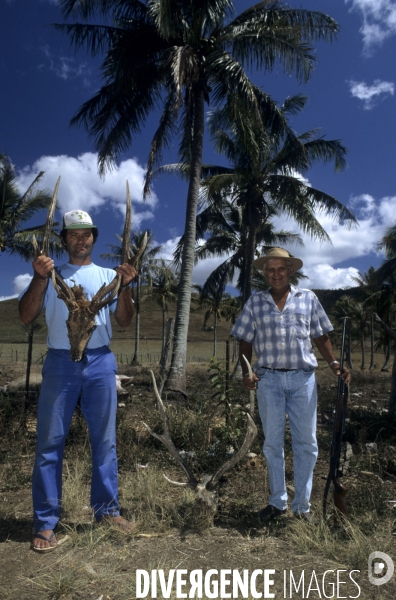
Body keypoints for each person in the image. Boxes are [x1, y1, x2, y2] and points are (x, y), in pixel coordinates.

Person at [19, 209, 137, 551]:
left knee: (105, 441)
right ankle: (45, 522)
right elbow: (26, 316)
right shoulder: (50, 274)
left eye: (86, 234)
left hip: (100, 361)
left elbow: (125, 321)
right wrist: (39, 278)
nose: (80, 239)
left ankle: (107, 511)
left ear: (94, 238)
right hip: (60, 363)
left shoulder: (108, 275)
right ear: (64, 239)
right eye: (73, 233)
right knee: (49, 443)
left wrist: (126, 287)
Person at [231, 247, 350, 523]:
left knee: (306, 443)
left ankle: (302, 507)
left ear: (290, 270)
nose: (275, 274)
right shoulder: (255, 302)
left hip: (302, 380)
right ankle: (277, 502)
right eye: (270, 270)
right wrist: (247, 372)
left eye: (280, 269)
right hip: (268, 380)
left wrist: (334, 364)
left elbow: (320, 336)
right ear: (265, 273)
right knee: (273, 443)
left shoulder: (308, 299)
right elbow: (245, 340)